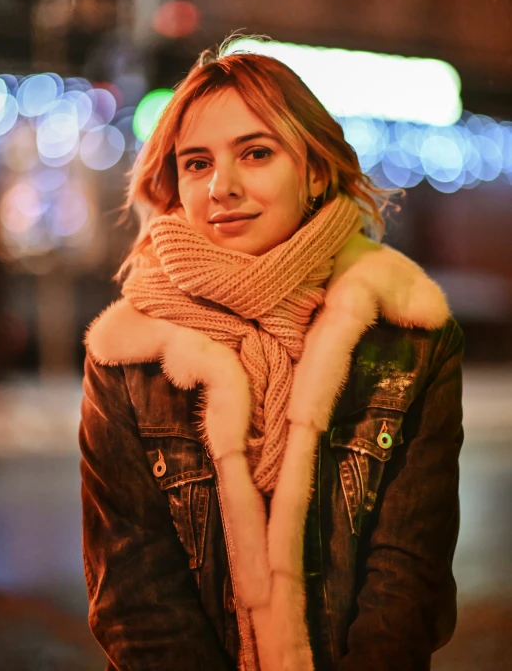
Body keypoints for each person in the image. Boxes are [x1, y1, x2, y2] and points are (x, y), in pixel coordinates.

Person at [80, 39, 463, 671]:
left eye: (256, 153)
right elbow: (133, 590)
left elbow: (407, 580)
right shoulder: (128, 352)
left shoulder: (409, 335)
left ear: (315, 171)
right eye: (196, 163)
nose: (221, 187)